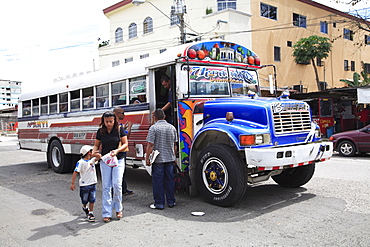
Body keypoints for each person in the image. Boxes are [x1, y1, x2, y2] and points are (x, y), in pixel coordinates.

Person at [93, 111, 128, 222]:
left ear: (114, 121)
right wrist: (95, 153)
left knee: (117, 185)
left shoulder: (119, 129)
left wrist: (117, 151)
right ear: (103, 121)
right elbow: (96, 145)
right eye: (107, 121)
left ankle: (118, 209)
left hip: (118, 159)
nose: (109, 124)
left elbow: (126, 143)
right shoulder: (100, 131)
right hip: (105, 160)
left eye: (111, 121)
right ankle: (106, 213)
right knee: (106, 186)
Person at [145, 109, 178, 210]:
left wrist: (147, 158)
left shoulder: (153, 128)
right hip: (169, 159)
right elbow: (174, 145)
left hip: (158, 159)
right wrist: (174, 157)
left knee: (158, 181)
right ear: (164, 117)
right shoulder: (172, 128)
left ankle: (159, 203)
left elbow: (150, 145)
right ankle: (171, 201)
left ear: (155, 118)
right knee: (170, 181)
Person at [70, 145, 98, 222]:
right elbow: (75, 172)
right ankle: (84, 207)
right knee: (85, 200)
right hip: (84, 185)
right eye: (92, 151)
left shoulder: (92, 160)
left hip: (92, 183)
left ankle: (91, 213)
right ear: (89, 152)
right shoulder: (80, 162)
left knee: (92, 199)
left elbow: (99, 157)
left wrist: (96, 154)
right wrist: (73, 183)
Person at [113, 106, 134, 196]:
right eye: (122, 113)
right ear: (117, 114)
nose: (124, 115)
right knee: (120, 171)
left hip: (117, 150)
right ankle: (120, 190)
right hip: (120, 151)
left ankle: (123, 188)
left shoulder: (114, 123)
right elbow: (126, 136)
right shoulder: (118, 124)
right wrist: (129, 127)